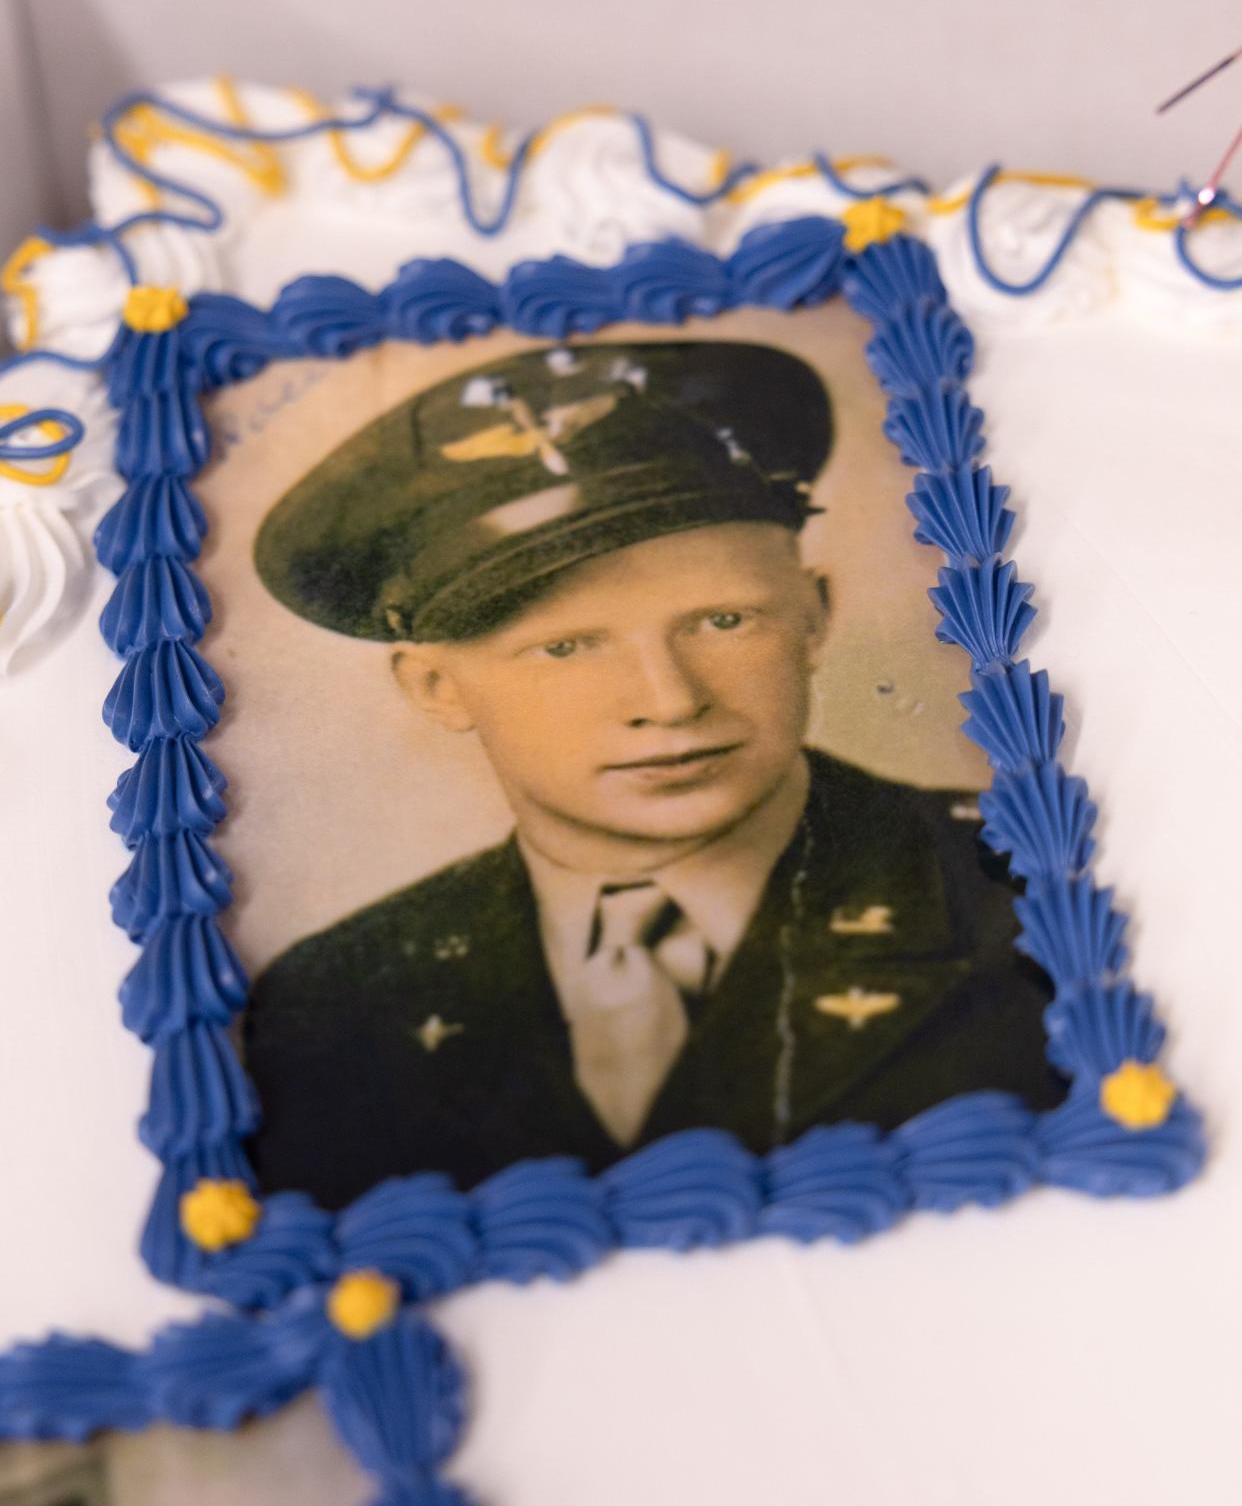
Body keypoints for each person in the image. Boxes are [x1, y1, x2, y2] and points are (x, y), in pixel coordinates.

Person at [245, 340, 1064, 1210]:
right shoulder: (333, 1003)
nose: (669, 703)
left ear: (814, 617)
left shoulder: (1017, 893)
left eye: (723, 620)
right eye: (565, 647)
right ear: (438, 686)